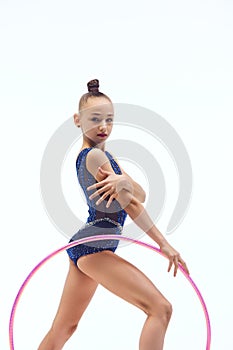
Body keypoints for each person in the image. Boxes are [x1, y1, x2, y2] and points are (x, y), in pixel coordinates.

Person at [38, 79, 189, 350]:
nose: (103, 126)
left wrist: (124, 183)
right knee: (160, 309)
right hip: (94, 247)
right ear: (78, 120)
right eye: (95, 119)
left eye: (109, 119)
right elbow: (131, 205)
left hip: (87, 247)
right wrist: (163, 244)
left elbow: (139, 194)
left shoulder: (107, 159)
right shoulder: (94, 158)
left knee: (64, 328)